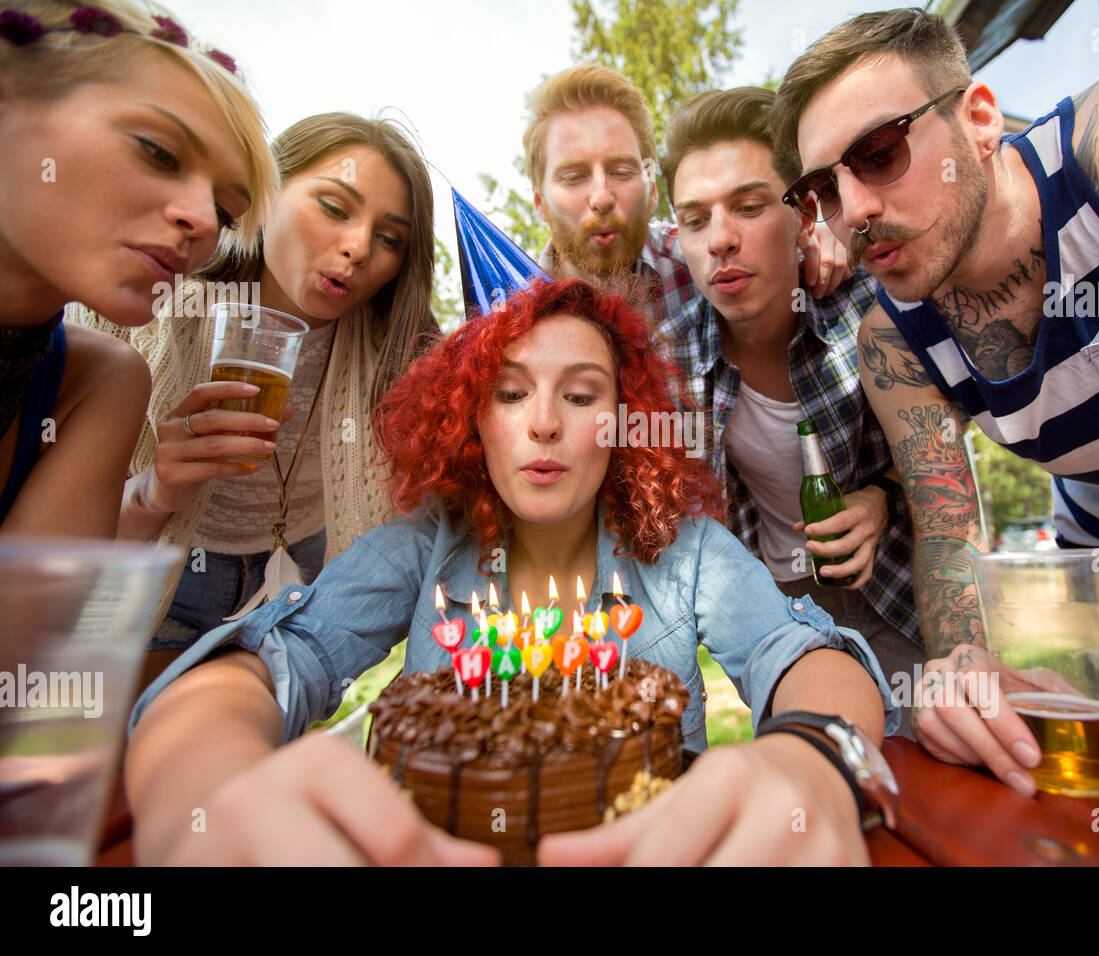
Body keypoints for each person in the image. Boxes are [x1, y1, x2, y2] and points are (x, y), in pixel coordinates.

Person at [124, 278, 899, 865]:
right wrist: (202, 787)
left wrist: (816, 760)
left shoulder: (685, 551)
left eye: (581, 394)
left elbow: (803, 657)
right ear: (471, 421)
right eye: (511, 392)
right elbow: (269, 662)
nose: (544, 423)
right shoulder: (424, 547)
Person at [770, 9, 1099, 820]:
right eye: (820, 190)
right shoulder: (894, 336)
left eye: (879, 153)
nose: (853, 209)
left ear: (980, 118)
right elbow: (949, 529)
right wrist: (960, 672)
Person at [69, 112, 439, 684]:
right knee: (129, 758)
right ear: (264, 198)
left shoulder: (397, 357)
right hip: (155, 577)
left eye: (390, 238)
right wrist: (154, 490)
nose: (359, 247)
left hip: (298, 580)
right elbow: (52, 549)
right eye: (335, 208)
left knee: (234, 755)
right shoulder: (148, 312)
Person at [654, 86, 924, 729]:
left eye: (748, 207)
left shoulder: (869, 308)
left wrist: (882, 495)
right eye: (694, 220)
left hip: (898, 593)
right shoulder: (670, 358)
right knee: (814, 774)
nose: (720, 240)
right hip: (777, 614)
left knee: (935, 777)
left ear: (803, 214)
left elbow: (950, 431)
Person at [0, 0, 274, 536]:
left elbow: (31, 616)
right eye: (159, 152)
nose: (199, 221)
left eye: (223, 212)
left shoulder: (101, 379)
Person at [524, 64, 850, 326]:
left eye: (622, 171)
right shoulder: (514, 314)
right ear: (539, 202)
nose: (602, 197)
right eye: (574, 176)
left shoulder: (698, 259)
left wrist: (831, 227)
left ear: (652, 192)